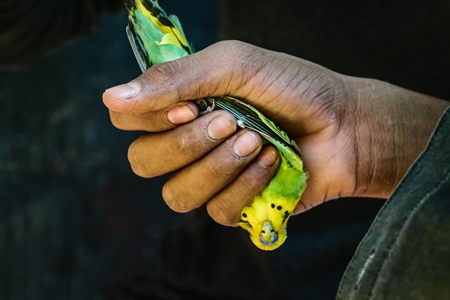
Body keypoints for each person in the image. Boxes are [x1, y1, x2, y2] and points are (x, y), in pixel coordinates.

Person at [103, 28, 450, 300]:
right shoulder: (293, 173)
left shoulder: (256, 202)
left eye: (262, 234)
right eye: (275, 230)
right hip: (215, 274)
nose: (267, 230)